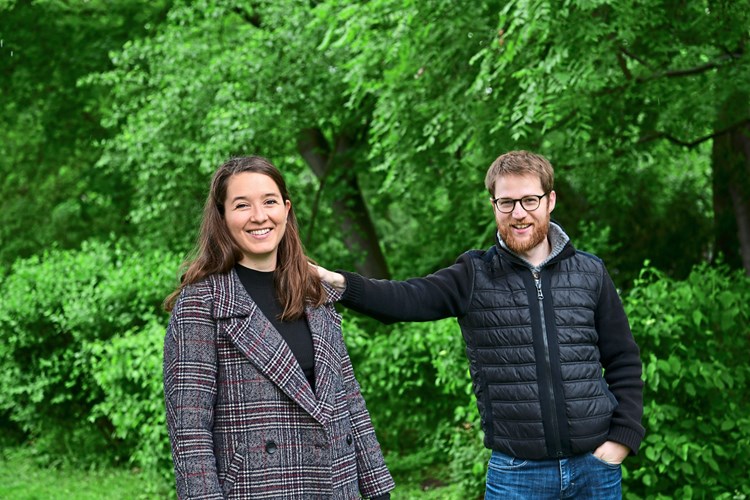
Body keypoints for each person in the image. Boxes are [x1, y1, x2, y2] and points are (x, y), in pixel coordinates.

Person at [316, 150, 644, 499]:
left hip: (594, 471)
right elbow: (405, 298)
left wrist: (621, 440)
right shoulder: (474, 275)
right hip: (517, 475)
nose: (518, 213)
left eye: (529, 200)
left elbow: (623, 358)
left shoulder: (590, 272)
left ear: (550, 201)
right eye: (507, 202)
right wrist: (337, 282)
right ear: (494, 206)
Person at [163, 156, 394, 499]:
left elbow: (347, 397)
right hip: (257, 488)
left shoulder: (315, 290)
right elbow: (190, 431)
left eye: (269, 202)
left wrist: (377, 487)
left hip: (335, 483)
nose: (259, 216)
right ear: (222, 216)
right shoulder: (202, 304)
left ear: (286, 209)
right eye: (242, 205)